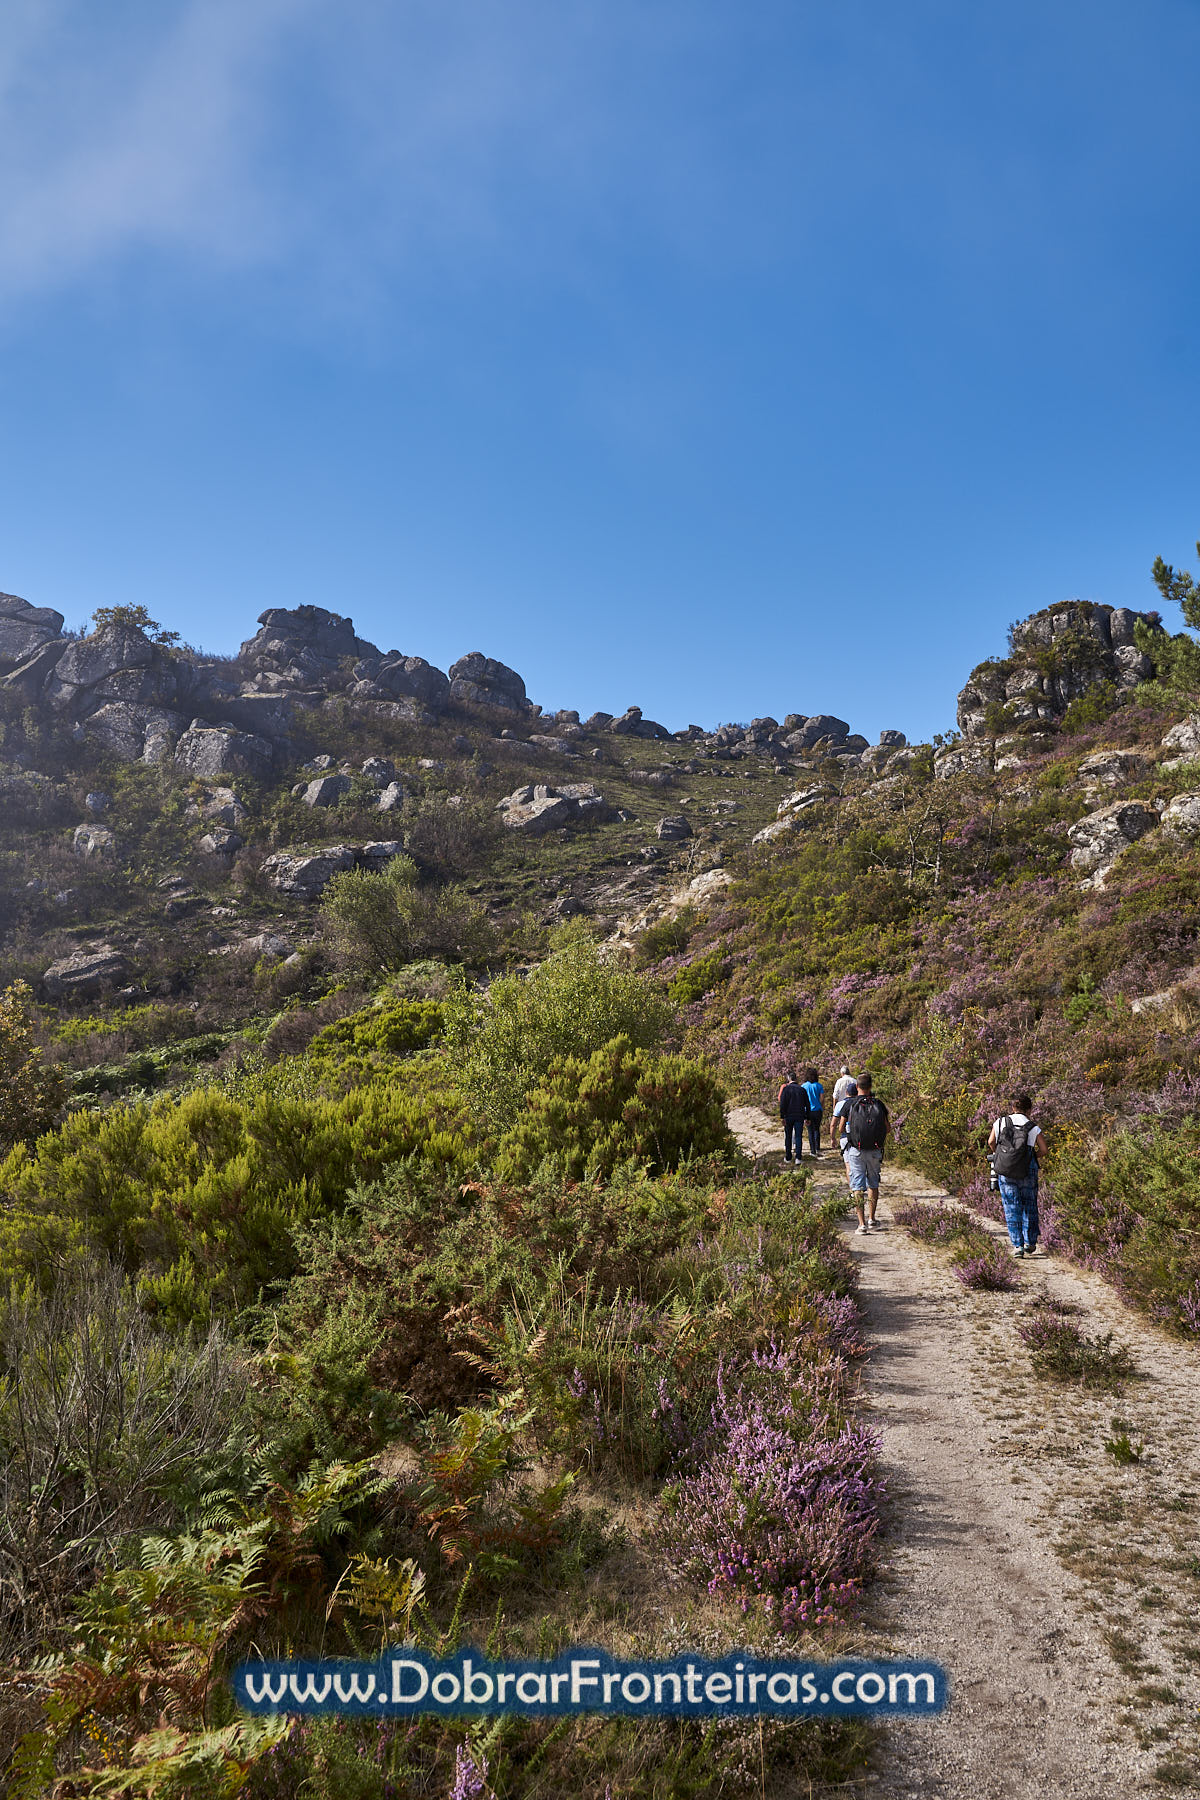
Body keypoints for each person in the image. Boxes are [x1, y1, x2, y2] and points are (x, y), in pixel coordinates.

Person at [987, 1095, 1046, 1258]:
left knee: (1011, 1206)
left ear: (1013, 1108)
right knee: (1029, 1205)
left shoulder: (1000, 1122)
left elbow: (991, 1142)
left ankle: (1017, 1246)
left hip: (1006, 1169)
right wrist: (1032, 1157)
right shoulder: (1032, 1127)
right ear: (1029, 1110)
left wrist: (999, 1155)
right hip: (1028, 1169)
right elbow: (1044, 1149)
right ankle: (1030, 1242)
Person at [838, 1073, 889, 1234]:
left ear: (857, 1087)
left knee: (857, 1186)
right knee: (873, 1184)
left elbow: (840, 1129)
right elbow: (887, 1128)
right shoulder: (879, 1104)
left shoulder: (850, 1104)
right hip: (874, 1150)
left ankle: (861, 1225)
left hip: (855, 1150)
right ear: (871, 1087)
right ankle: (872, 1219)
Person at [777, 1069, 811, 1164]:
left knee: (788, 1136)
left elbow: (783, 1104)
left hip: (788, 1116)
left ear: (789, 1079)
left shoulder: (786, 1089)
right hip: (799, 1115)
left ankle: (788, 1157)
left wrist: (782, 1116)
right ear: (796, 1079)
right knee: (798, 1137)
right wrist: (807, 1117)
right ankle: (798, 1158)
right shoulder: (802, 1089)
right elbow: (807, 1104)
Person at [802, 1066, 824, 1158]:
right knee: (817, 1129)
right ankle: (818, 1148)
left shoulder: (804, 1086)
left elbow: (802, 1100)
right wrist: (821, 1106)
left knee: (810, 1131)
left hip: (808, 1111)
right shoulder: (819, 1086)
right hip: (817, 1110)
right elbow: (822, 1098)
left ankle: (812, 1150)